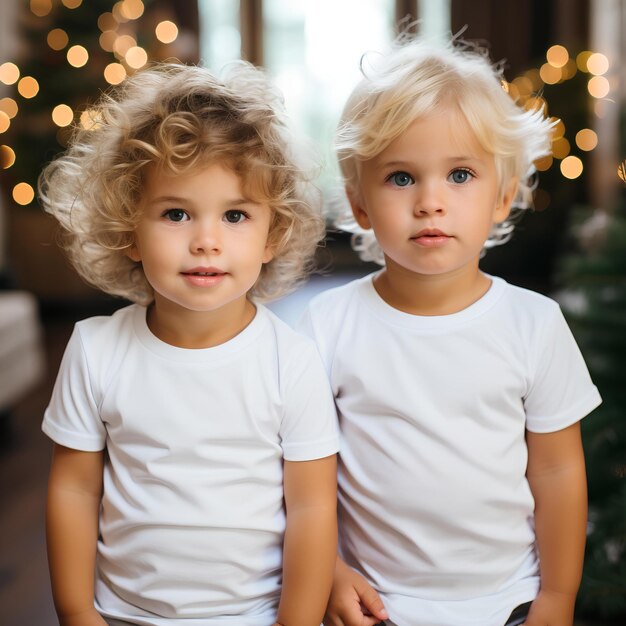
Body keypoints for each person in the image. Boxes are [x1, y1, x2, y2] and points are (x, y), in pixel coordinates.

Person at [298, 36, 601, 626]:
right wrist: (329, 570)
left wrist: (558, 598)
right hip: (372, 604)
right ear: (360, 205)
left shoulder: (534, 325)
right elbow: (304, 477)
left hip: (509, 600)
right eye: (401, 178)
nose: (431, 201)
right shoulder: (328, 327)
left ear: (502, 195)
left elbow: (559, 472)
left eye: (460, 174)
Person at [39, 61, 339, 626]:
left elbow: (312, 506)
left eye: (234, 215)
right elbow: (74, 491)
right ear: (128, 228)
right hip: (123, 613)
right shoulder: (95, 350)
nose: (206, 241)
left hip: (253, 615)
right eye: (176, 213)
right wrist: (78, 613)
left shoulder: (291, 362)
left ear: (273, 234)